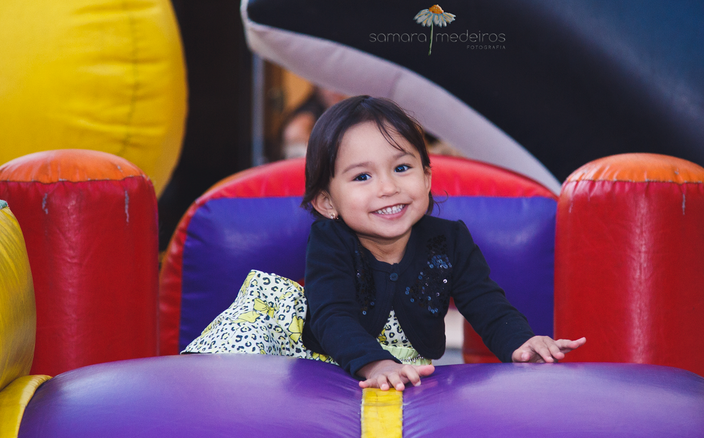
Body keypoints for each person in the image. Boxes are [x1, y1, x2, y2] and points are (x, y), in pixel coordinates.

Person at [183, 96, 585, 390]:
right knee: (250, 327)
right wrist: (374, 364)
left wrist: (521, 343)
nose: (388, 188)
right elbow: (333, 315)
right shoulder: (331, 241)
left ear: (427, 178)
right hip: (314, 347)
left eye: (402, 168)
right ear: (327, 202)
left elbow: (486, 304)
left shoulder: (450, 242)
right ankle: (197, 392)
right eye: (362, 177)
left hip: (396, 360)